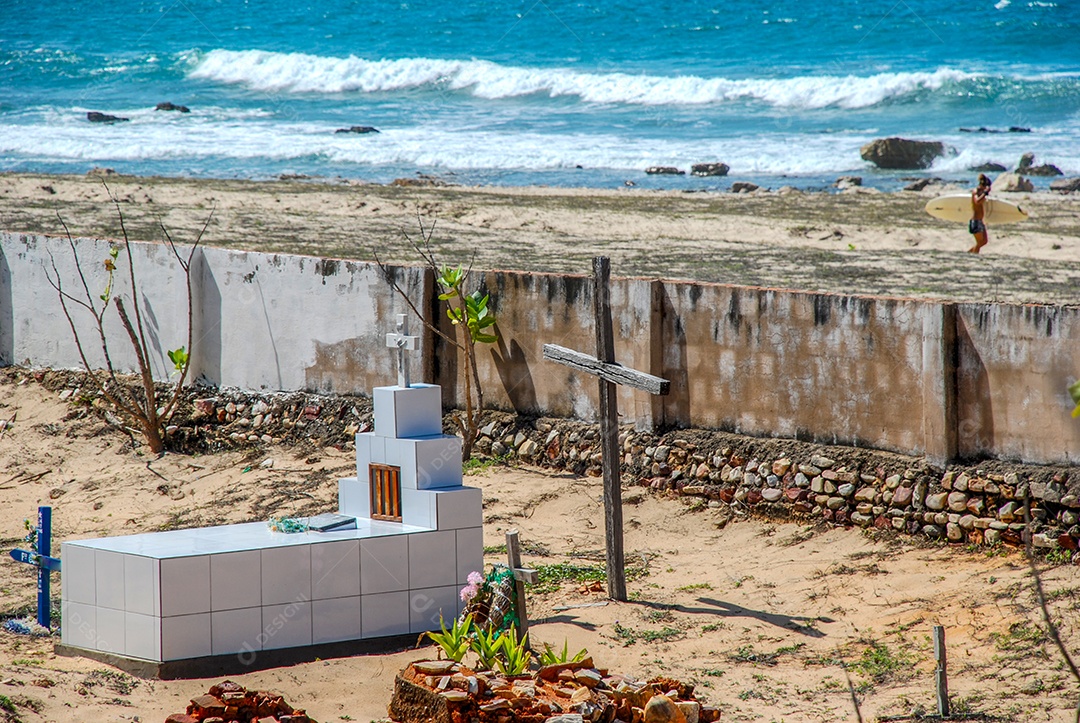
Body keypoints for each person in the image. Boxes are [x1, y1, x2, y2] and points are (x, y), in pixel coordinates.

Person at [968, 174, 991, 253]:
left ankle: (969, 252)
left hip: (980, 221)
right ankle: (974, 256)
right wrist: (985, 193)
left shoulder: (981, 192)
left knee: (984, 241)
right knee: (979, 242)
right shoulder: (976, 191)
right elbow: (977, 201)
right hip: (975, 221)